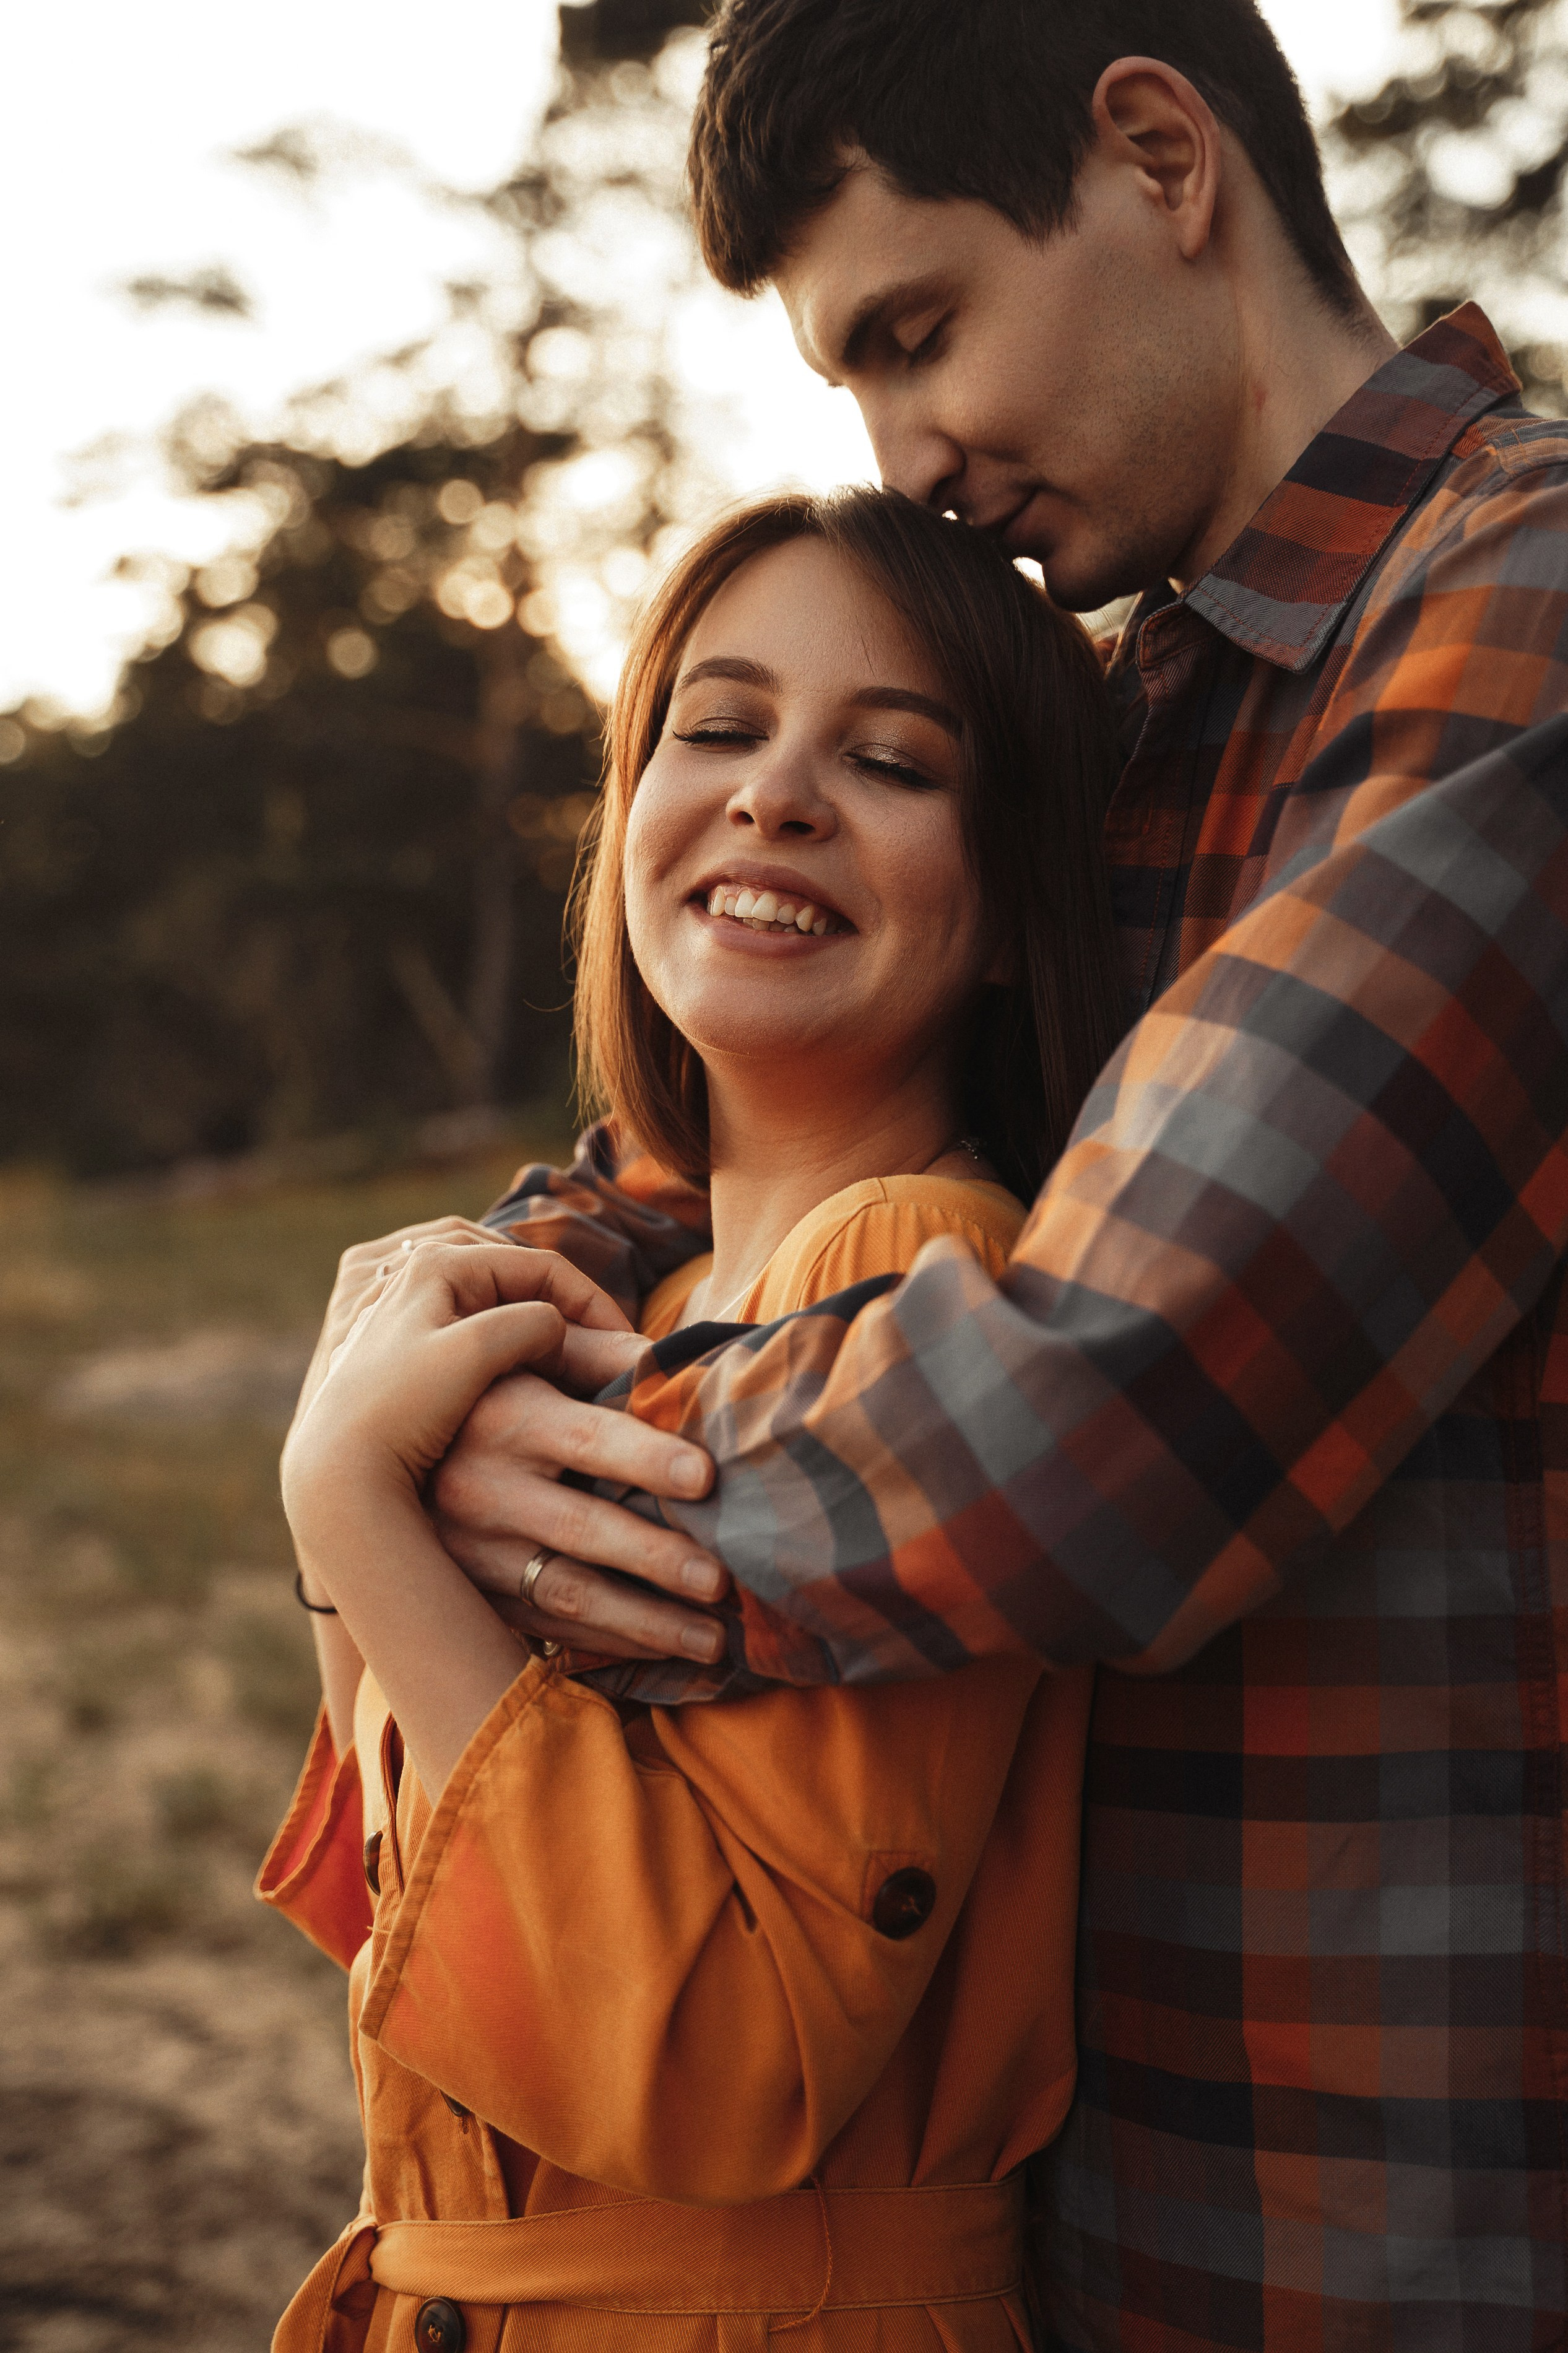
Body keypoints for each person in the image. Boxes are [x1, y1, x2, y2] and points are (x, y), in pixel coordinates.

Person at [318, 3, 1568, 2347]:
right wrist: (465, 1313)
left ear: (1159, 157)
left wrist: (458, 1470)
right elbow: (710, 1143)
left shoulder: (1518, 622)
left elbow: (1114, 1409)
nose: (912, 457)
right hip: (1055, 2211)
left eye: (918, 333)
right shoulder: (1151, 706)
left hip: (1393, 2211)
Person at [261, 486, 1128, 2346]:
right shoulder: (642, 1312)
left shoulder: (915, 1273)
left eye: (890, 761)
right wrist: (360, 1548)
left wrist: (344, 1497)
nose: (774, 793)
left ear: (1005, 910)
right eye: (717, 727)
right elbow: (413, 1930)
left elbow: (717, 2061)